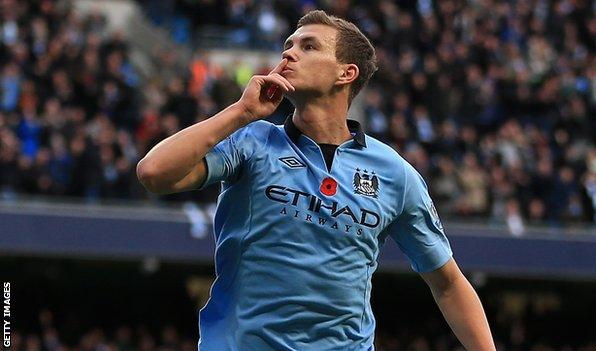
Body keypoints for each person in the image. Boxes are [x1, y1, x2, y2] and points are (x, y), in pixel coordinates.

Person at [137, 10, 495, 351]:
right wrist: (242, 112)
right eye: (288, 46)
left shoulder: (394, 173)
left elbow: (447, 283)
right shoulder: (253, 141)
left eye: (308, 46)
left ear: (346, 73)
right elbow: (154, 173)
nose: (289, 54)